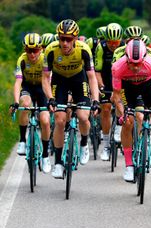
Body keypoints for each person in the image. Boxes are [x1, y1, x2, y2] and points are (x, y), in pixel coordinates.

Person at [42, 19, 100, 179]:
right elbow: (45, 78)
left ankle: (83, 144)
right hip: (59, 81)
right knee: (60, 120)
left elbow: (92, 77)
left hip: (78, 79)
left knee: (83, 116)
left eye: (69, 39)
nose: (65, 43)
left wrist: (95, 100)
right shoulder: (51, 50)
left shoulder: (84, 49)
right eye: (62, 38)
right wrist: (50, 98)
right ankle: (59, 162)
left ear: (75, 38)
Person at [112, 39, 151, 182]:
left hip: (147, 85)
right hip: (127, 88)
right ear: (126, 58)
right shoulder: (118, 67)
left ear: (144, 58)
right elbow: (116, 96)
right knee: (128, 122)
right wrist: (122, 112)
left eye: (138, 64)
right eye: (132, 63)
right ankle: (129, 165)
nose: (135, 67)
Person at [10, 33, 51, 173]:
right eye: (29, 50)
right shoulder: (21, 60)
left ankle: (45, 155)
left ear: (41, 49)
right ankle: (22, 140)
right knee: (24, 104)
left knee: (45, 121)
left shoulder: (46, 59)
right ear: (25, 49)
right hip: (28, 87)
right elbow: (18, 82)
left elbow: (50, 81)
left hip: (42, 89)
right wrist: (16, 102)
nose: (32, 54)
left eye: (35, 50)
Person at [95, 23, 124, 161]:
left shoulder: (125, 47)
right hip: (106, 81)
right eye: (110, 42)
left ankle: (119, 128)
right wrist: (100, 86)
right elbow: (97, 71)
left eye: (116, 42)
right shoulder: (101, 47)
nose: (113, 45)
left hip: (122, 82)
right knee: (105, 109)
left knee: (123, 107)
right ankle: (106, 145)